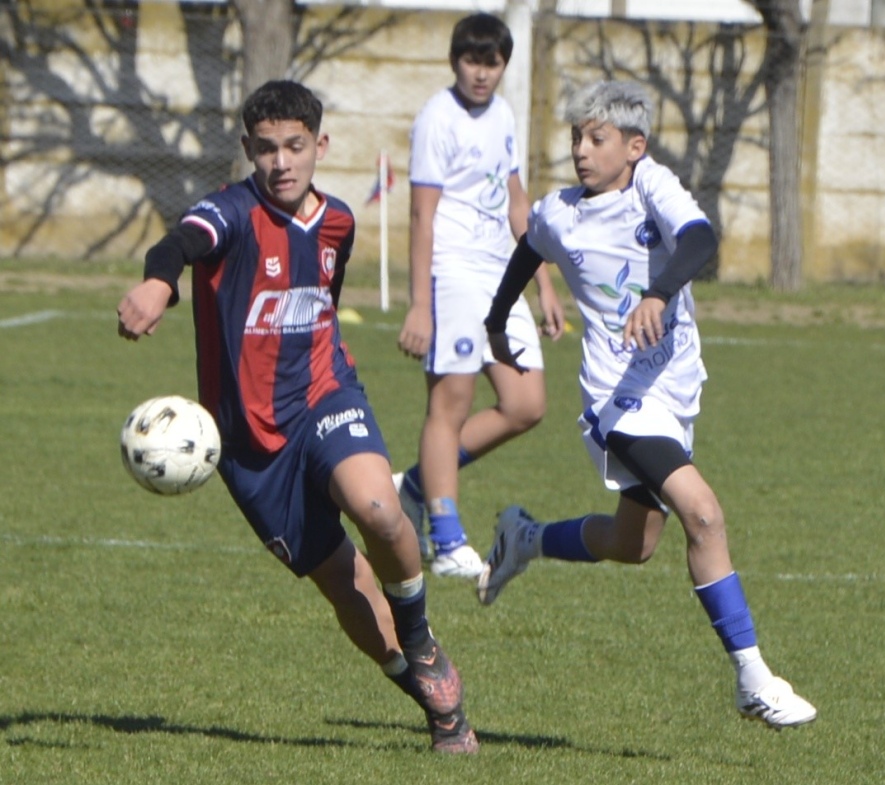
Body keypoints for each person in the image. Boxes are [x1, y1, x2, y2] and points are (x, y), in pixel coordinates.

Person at [116, 80, 478, 754]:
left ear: (320, 145)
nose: (280, 162)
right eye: (265, 149)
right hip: (250, 449)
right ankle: (437, 705)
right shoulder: (228, 211)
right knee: (345, 583)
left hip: (324, 395)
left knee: (378, 508)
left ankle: (420, 632)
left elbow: (322, 306)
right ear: (247, 151)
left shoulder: (338, 220)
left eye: (294, 146)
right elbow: (179, 244)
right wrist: (160, 280)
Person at [478, 80, 817, 730]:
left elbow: (699, 239)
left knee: (633, 543)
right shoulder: (558, 212)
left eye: (596, 137)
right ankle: (753, 677)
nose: (581, 148)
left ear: (634, 146)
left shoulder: (651, 185)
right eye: (577, 135)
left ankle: (526, 538)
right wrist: (498, 319)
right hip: (619, 399)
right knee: (705, 515)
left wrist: (659, 292)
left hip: (674, 389)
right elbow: (526, 252)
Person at [395, 12, 565, 579]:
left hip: (501, 273)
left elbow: (519, 205)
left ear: (503, 65)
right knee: (451, 404)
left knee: (526, 404)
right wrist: (421, 302)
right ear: (455, 61)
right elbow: (422, 213)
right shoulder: (437, 119)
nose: (481, 74)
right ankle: (445, 541)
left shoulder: (505, 115)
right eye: (472, 61)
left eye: (492, 63)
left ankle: (415, 486)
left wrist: (542, 283)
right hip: (454, 271)